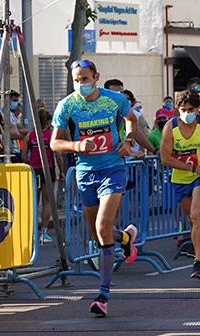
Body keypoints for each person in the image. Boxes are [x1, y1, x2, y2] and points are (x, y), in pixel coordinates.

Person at [50, 60, 141, 317]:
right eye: (77, 80)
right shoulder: (67, 105)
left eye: (85, 79)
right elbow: (55, 143)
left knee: (102, 228)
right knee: (97, 234)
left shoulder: (115, 99)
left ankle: (103, 295)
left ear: (96, 77)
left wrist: (129, 140)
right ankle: (125, 237)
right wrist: (77, 146)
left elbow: (131, 121)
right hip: (85, 172)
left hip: (113, 168)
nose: (81, 84)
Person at [161, 89, 200, 279]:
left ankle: (198, 261)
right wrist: (191, 169)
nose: (187, 114)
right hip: (181, 178)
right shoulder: (169, 127)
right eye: (183, 109)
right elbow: (164, 158)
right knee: (192, 219)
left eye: (191, 110)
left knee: (197, 214)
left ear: (198, 109)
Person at [22, 109, 57, 242]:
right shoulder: (51, 135)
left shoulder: (29, 136)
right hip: (48, 170)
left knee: (34, 203)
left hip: (34, 171)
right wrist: (62, 171)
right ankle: (44, 233)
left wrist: (31, 164)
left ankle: (32, 234)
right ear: (48, 122)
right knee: (46, 202)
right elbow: (58, 156)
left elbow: (24, 156)